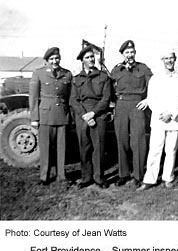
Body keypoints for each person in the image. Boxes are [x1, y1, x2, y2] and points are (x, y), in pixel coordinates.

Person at [137, 51, 178, 191]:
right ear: (162, 60)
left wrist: (171, 114)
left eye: (171, 58)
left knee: (171, 150)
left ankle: (168, 178)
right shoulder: (155, 79)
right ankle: (149, 179)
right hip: (159, 120)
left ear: (175, 59)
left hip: (175, 120)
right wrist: (162, 114)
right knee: (155, 149)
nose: (169, 61)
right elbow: (151, 99)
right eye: (166, 58)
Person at [111, 40, 153, 187]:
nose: (130, 55)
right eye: (127, 52)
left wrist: (148, 99)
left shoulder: (143, 68)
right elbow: (110, 89)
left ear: (135, 53)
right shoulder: (116, 70)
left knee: (138, 140)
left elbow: (153, 86)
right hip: (121, 105)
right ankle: (123, 174)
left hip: (137, 106)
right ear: (123, 54)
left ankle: (138, 174)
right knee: (121, 139)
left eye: (132, 52)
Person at [70, 46, 112, 189]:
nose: (91, 59)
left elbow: (106, 98)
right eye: (87, 57)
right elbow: (73, 100)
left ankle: (99, 178)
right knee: (84, 147)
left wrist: (93, 114)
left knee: (99, 147)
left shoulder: (103, 77)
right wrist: (85, 115)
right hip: (82, 116)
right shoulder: (77, 79)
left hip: (98, 114)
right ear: (82, 61)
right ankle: (86, 177)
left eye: (92, 57)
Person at [29, 47, 72, 185]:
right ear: (46, 61)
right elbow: (34, 97)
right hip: (45, 115)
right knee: (45, 147)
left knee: (62, 147)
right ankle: (44, 176)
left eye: (57, 58)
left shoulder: (67, 74)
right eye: (52, 59)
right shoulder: (38, 73)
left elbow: (70, 96)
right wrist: (35, 118)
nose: (55, 61)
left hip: (62, 114)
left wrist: (69, 116)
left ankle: (61, 175)